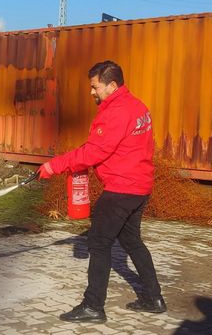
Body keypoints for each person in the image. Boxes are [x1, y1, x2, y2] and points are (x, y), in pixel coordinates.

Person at [38, 60, 165, 323]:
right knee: (131, 241)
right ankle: (153, 298)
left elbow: (94, 151)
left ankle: (93, 306)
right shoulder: (137, 106)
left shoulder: (116, 112)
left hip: (122, 188)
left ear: (112, 85)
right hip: (140, 186)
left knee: (98, 242)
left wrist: (54, 165)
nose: (91, 92)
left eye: (95, 87)